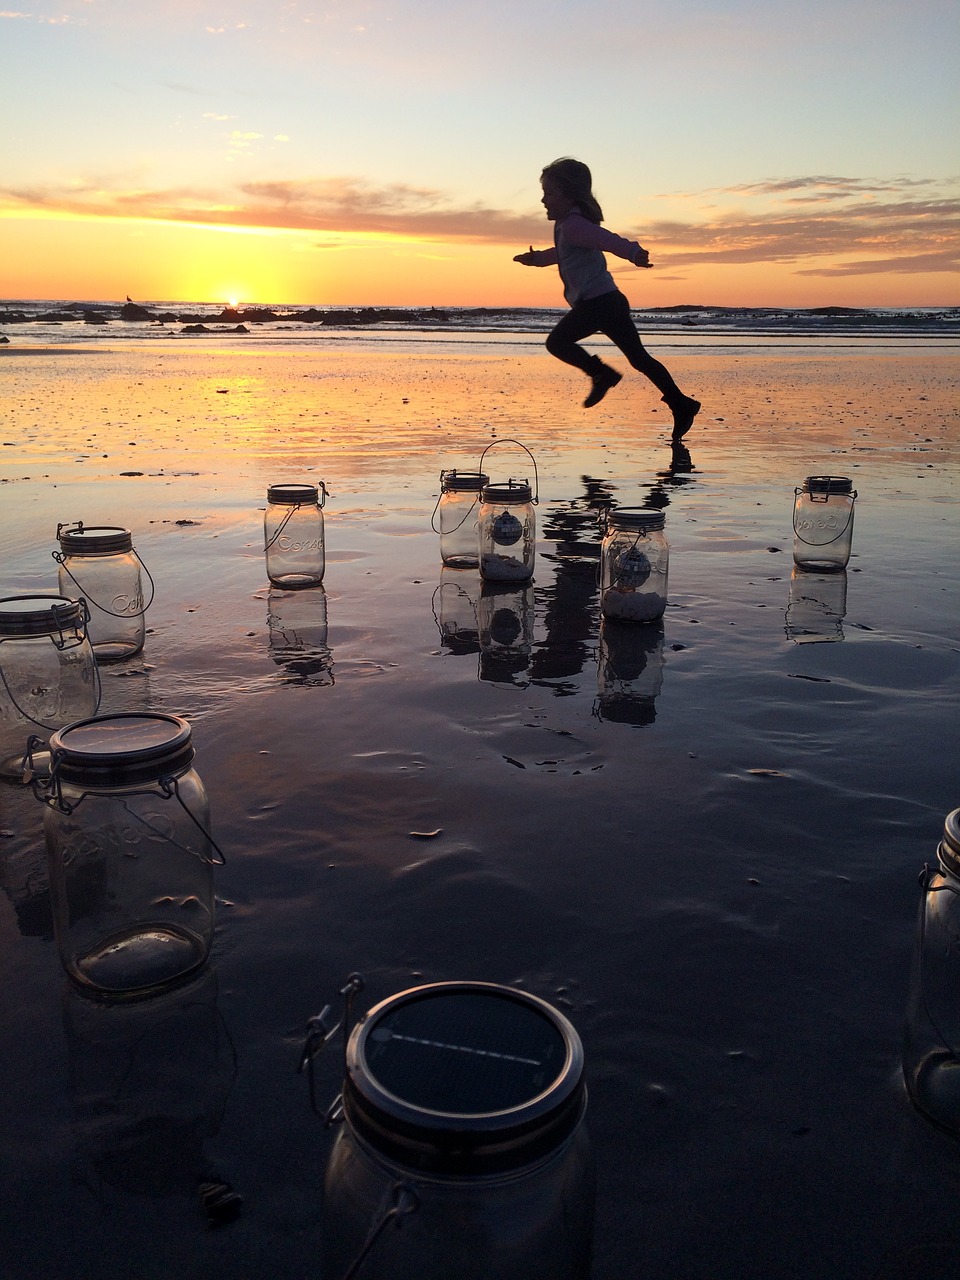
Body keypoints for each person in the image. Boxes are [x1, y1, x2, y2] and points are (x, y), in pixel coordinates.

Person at [514, 157, 700, 439]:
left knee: (557, 342)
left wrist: (633, 252)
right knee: (640, 359)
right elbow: (562, 253)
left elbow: (605, 239)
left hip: (597, 303)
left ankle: (602, 374)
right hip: (610, 301)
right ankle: (681, 403)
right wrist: (537, 259)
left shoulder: (575, 224)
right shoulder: (568, 225)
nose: (543, 200)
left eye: (549, 193)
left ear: (569, 195)